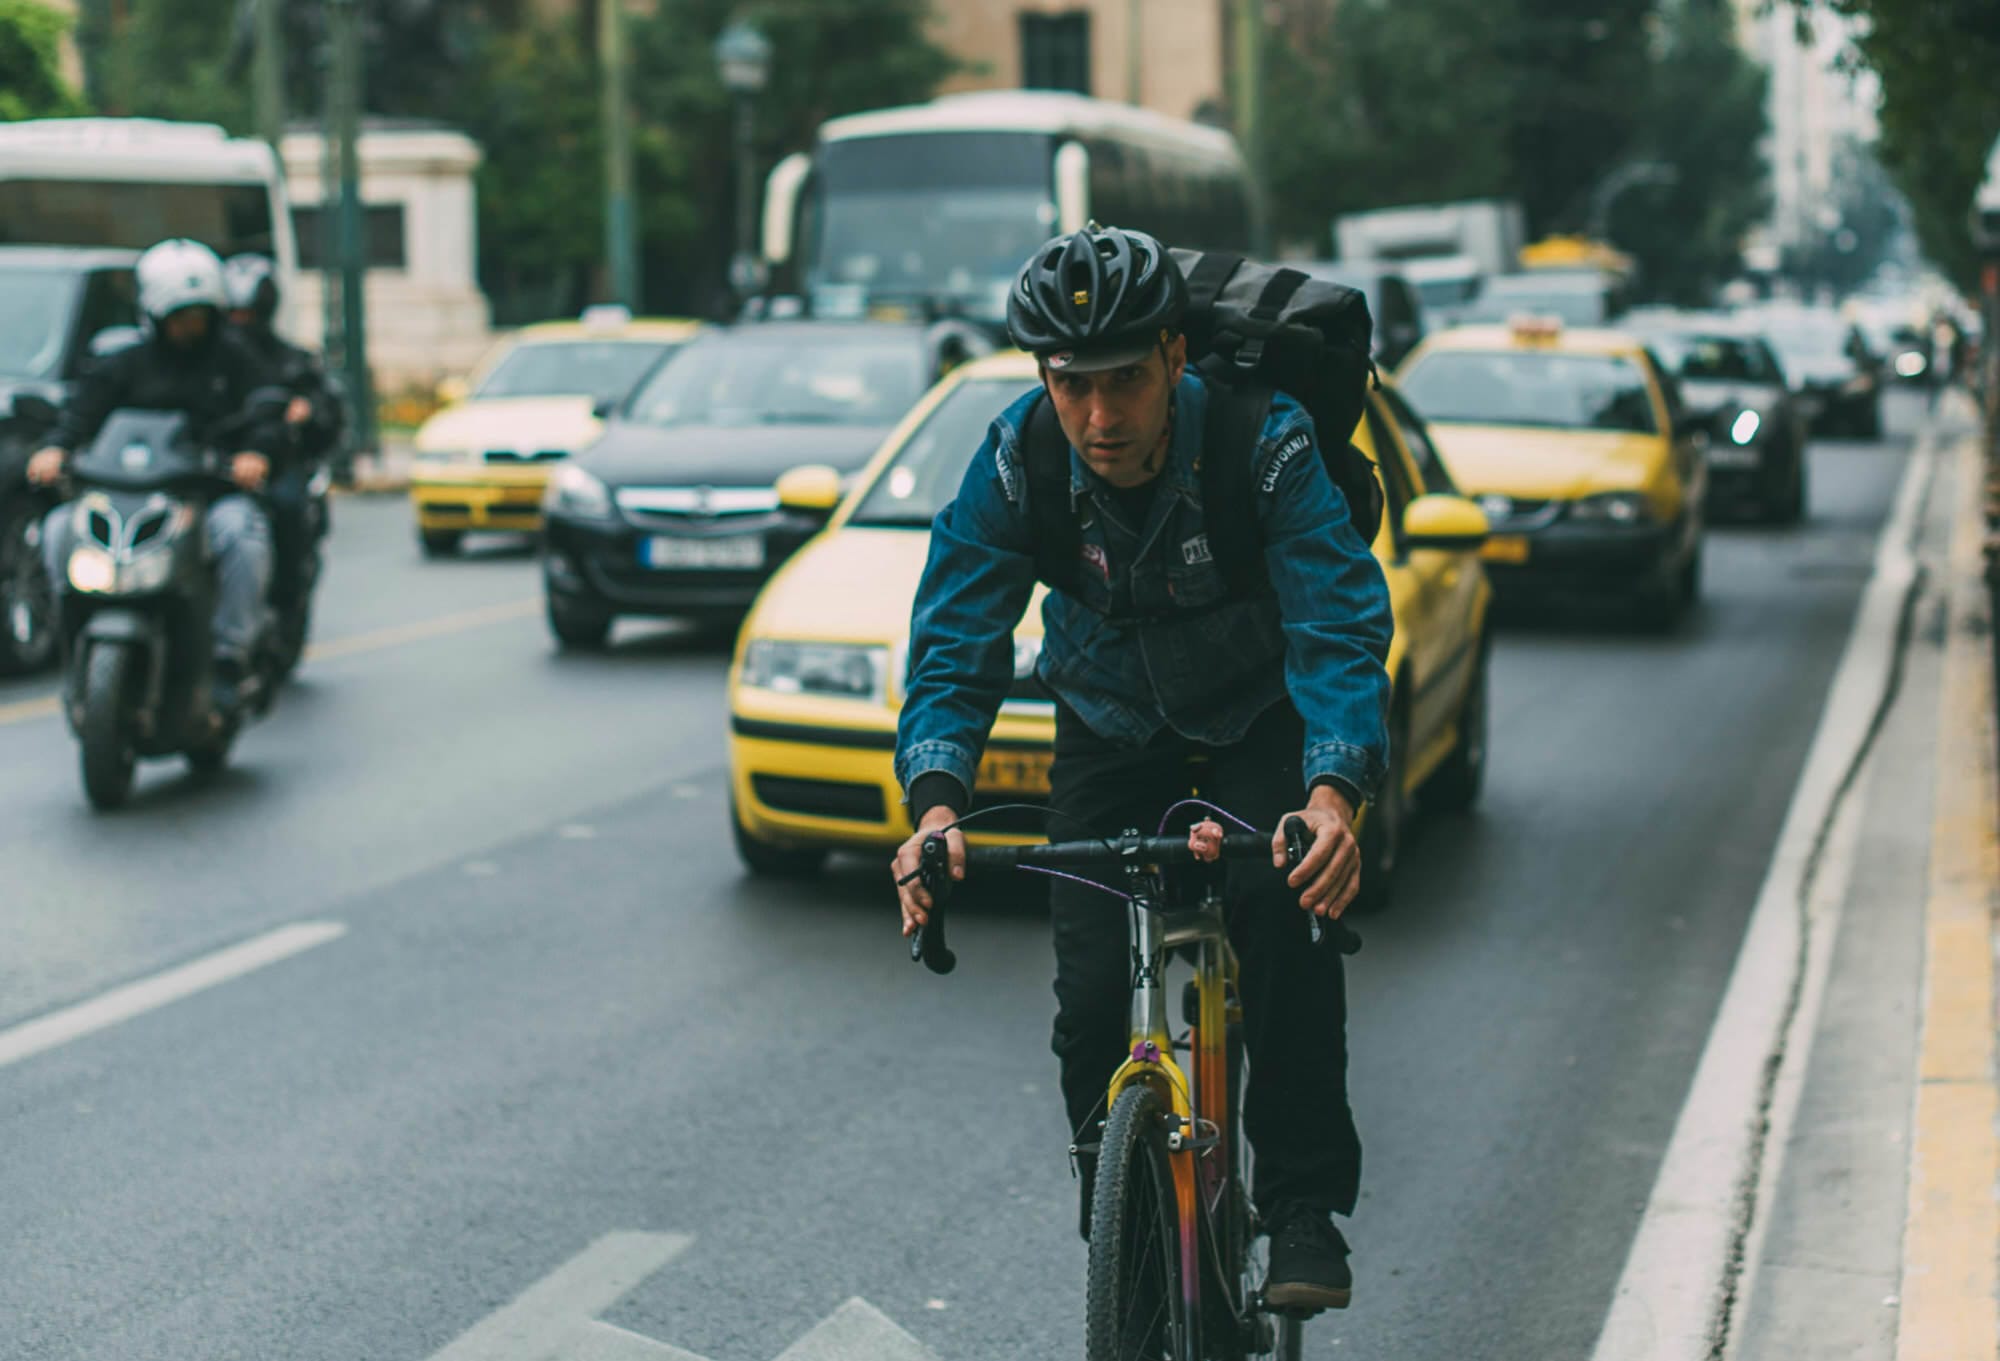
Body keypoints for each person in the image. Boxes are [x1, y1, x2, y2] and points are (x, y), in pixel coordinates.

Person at [889, 226, 1393, 1312]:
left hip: (1260, 713)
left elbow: (1336, 621)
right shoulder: (1018, 453)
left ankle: (1302, 1202)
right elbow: (953, 634)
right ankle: (1116, 1209)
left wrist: (1329, 791)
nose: (1100, 418)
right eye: (1072, 386)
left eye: (1124, 380)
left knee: (1281, 910)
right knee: (1081, 1003)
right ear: (1042, 378)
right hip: (1108, 723)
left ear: (1173, 356)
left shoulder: (1264, 440)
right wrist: (933, 807)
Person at [27, 238, 279, 714]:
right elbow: (82, 413)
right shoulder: (124, 363)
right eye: (180, 316)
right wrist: (56, 449)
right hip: (124, 496)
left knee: (242, 535)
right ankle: (73, 637)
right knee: (61, 529)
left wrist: (256, 453)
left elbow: (265, 408)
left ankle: (229, 656)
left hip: (204, 496)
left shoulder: (235, 361)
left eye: (199, 315)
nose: (190, 325)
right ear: (154, 315)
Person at [223, 253, 342, 609]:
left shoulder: (292, 361)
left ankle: (285, 597)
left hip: (276, 462)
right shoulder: (208, 360)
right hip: (215, 458)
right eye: (233, 315)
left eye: (247, 315)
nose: (239, 323)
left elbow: (327, 413)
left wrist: (306, 412)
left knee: (287, 508)